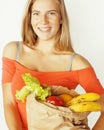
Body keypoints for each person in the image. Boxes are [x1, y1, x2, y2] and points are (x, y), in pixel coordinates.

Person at [1, 0, 104, 130]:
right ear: (29, 17)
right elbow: (9, 103)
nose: (43, 21)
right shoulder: (13, 51)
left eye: (51, 13)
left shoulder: (76, 64)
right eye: (36, 13)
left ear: (61, 18)